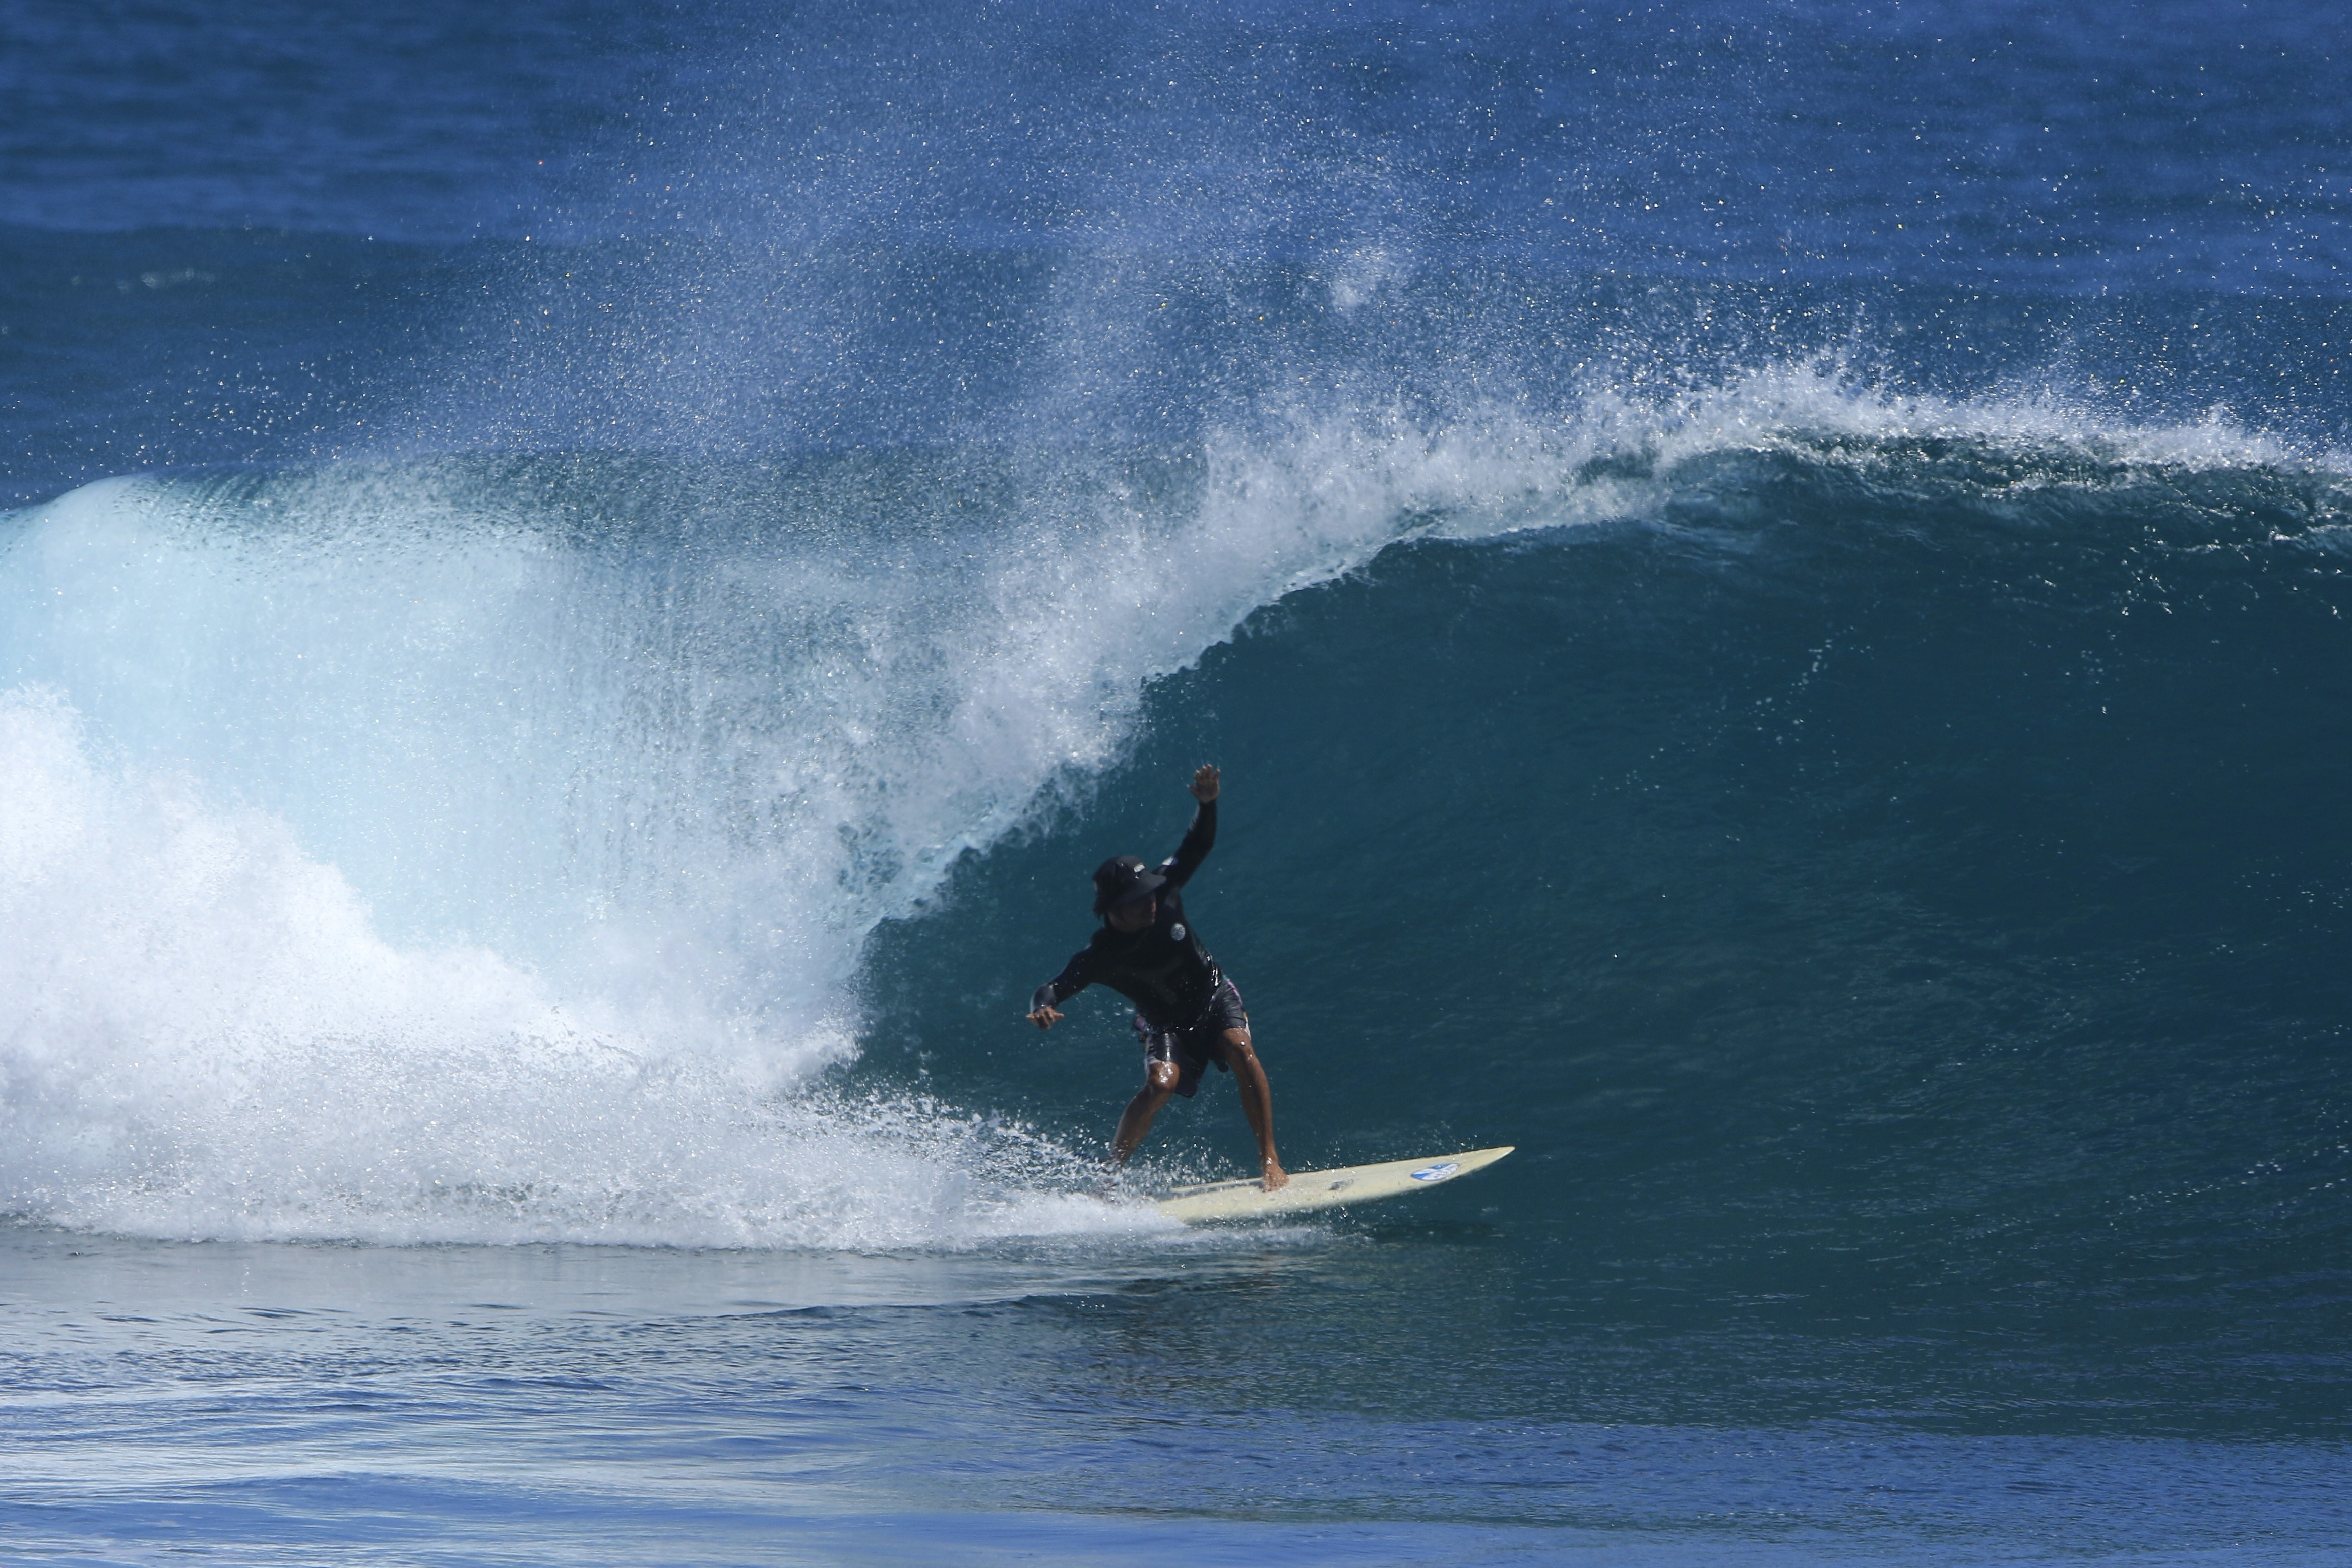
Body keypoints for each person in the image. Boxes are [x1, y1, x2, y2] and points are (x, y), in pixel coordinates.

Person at [1026, 764, 1288, 1191]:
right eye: (1135, 899)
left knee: (1239, 1047)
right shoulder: (1100, 956)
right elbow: (1054, 986)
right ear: (1112, 908)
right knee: (1159, 1083)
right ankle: (1110, 1174)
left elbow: (1197, 845)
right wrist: (1042, 1007)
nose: (1149, 903)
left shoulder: (1164, 890)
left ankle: (1270, 1159)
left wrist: (1208, 805)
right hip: (1165, 1022)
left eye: (1148, 892)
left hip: (1213, 995)